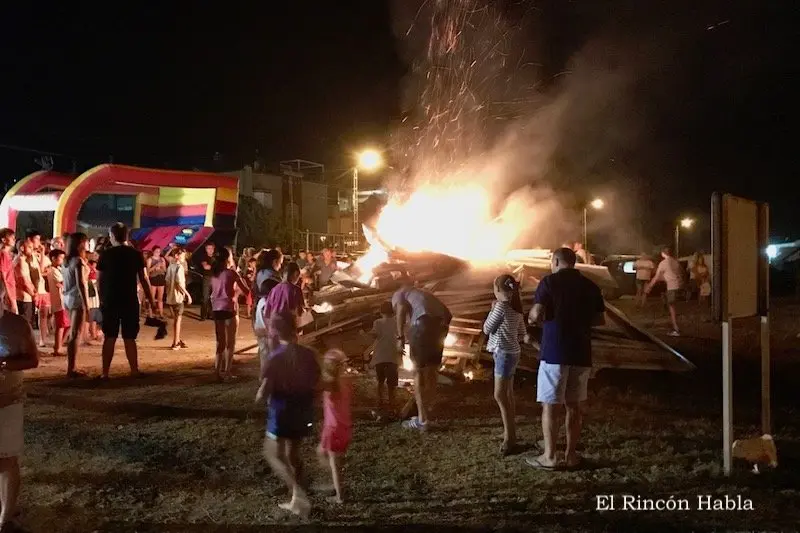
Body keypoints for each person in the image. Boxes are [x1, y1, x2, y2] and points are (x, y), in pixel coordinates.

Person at [527, 247, 605, 471]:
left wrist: (535, 319)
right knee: (574, 406)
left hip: (554, 352)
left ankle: (549, 457)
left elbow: (536, 313)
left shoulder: (549, 282)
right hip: (581, 352)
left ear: (556, 261)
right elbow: (600, 320)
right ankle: (571, 455)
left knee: (551, 406)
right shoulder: (590, 285)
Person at [255, 313, 320, 517]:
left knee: (272, 453)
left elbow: (265, 389)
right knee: (293, 455)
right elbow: (316, 381)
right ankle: (296, 499)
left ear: (274, 331)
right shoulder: (308, 354)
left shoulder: (276, 357)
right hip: (302, 410)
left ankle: (299, 494)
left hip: (281, 413)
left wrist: (259, 397)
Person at [0, 280, 40, 532]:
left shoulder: (16, 325)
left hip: (8, 400)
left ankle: (5, 518)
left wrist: (4, 364)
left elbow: (32, 359)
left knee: (5, 460)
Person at [97, 223, 155, 380]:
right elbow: (144, 278)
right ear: (127, 236)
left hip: (111, 300)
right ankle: (134, 370)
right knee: (130, 336)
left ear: (112, 236)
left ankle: (105, 373)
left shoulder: (106, 254)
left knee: (109, 336)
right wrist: (151, 300)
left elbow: (100, 280)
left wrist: (101, 300)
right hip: (130, 300)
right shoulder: (136, 254)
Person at [392, 284, 452, 431]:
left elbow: (400, 310)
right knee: (432, 371)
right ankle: (427, 416)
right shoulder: (425, 295)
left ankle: (422, 420)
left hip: (421, 326)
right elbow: (448, 314)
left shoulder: (400, 293)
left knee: (418, 371)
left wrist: (400, 338)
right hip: (440, 327)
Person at [483, 274, 527, 456]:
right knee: (508, 394)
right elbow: (522, 332)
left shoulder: (500, 306)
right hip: (513, 352)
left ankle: (510, 439)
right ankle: (510, 432)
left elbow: (486, 328)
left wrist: (492, 310)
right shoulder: (517, 307)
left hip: (503, 353)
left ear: (498, 290)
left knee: (500, 395)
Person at [318, 348, 353, 504]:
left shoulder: (331, 385)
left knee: (334, 465)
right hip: (343, 427)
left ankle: (339, 496)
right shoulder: (343, 382)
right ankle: (336, 484)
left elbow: (318, 385)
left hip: (333, 429)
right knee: (321, 451)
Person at [210, 247, 249, 381]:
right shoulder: (231, 273)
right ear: (228, 258)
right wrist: (237, 293)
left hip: (216, 308)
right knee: (230, 343)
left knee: (219, 342)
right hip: (229, 308)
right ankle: (227, 371)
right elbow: (245, 290)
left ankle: (216, 372)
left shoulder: (214, 273)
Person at [62, 232, 90, 378]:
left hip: (67, 297)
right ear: (80, 244)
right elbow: (81, 284)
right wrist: (87, 305)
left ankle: (71, 366)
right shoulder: (78, 261)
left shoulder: (66, 260)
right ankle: (71, 368)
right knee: (75, 334)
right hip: (76, 298)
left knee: (73, 333)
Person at [367, 301, 400, 418]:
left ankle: (380, 402)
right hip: (392, 356)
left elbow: (374, 335)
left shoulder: (377, 322)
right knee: (392, 384)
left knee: (380, 381)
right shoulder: (397, 322)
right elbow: (401, 335)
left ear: (381, 312)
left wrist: (364, 333)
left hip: (380, 356)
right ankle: (392, 404)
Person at [645, 247, 684, 337]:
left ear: (663, 253)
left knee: (671, 307)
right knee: (672, 306)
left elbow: (656, 277)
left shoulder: (663, 263)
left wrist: (649, 286)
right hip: (678, 286)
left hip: (671, 286)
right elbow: (676, 274)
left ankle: (676, 329)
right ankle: (675, 326)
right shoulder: (675, 262)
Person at [165, 247, 192, 350]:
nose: (184, 258)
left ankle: (177, 340)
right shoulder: (179, 267)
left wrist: (168, 293)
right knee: (178, 320)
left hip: (170, 296)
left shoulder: (170, 266)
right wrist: (187, 295)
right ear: (176, 256)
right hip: (178, 297)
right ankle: (176, 343)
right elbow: (179, 283)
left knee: (176, 320)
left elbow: (167, 280)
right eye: (182, 256)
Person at [47, 249, 69, 357]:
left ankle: (59, 345)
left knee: (67, 324)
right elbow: (61, 283)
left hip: (64, 301)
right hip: (59, 301)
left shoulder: (59, 269)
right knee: (60, 325)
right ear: (53, 259)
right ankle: (57, 347)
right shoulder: (52, 270)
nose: (62, 260)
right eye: (61, 258)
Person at [12, 241, 35, 325]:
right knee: (25, 324)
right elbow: (23, 281)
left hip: (22, 296)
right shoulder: (20, 261)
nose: (32, 250)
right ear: (22, 248)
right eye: (30, 247)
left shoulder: (20, 260)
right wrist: (33, 294)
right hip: (24, 297)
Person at [198, 242, 217, 321]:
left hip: (215, 278)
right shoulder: (204, 257)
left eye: (211, 248)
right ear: (206, 249)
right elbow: (206, 267)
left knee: (213, 298)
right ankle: (203, 315)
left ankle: (212, 314)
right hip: (207, 278)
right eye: (208, 248)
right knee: (205, 297)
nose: (210, 250)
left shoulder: (216, 257)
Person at [147, 246, 167, 319]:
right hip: (153, 279)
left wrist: (162, 266)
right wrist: (155, 266)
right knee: (152, 298)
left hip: (161, 279)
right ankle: (151, 314)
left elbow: (165, 270)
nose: (158, 253)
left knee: (160, 298)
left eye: (159, 251)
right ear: (153, 251)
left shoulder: (162, 259)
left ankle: (161, 314)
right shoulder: (150, 259)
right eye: (156, 251)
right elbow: (147, 271)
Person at [0, 229, 17, 314]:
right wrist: (9, 296)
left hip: (10, 290)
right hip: (6, 291)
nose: (14, 240)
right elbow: (4, 276)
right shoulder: (3, 254)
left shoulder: (7, 254)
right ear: (3, 240)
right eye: (12, 238)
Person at [86, 259, 102, 342]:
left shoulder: (95, 273)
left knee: (94, 317)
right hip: (91, 299)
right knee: (90, 317)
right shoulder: (88, 273)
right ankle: (91, 335)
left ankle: (94, 334)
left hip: (95, 300)